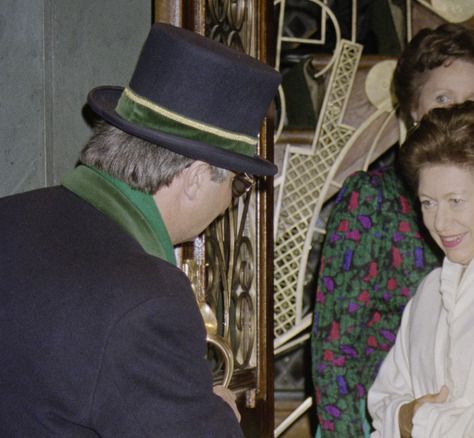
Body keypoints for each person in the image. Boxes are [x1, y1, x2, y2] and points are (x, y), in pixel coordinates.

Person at [0, 23, 280, 436]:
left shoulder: (9, 216)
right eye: (238, 184)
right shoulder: (148, 298)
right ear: (198, 177)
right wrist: (216, 411)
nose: (230, 204)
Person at [310, 23, 474, 437]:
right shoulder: (374, 201)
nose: (440, 221)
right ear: (414, 109)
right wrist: (398, 418)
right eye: (442, 99)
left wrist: (422, 422)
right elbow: (336, 350)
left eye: (473, 101)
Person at [367, 101, 474, 437]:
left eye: (455, 201)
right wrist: (403, 417)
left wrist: (412, 420)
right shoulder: (430, 290)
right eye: (428, 203)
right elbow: (383, 403)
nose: (440, 222)